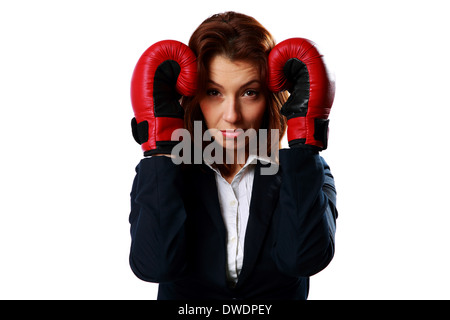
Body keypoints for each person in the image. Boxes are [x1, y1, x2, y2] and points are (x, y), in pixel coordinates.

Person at [128, 11, 338, 300]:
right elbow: (154, 267)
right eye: (214, 92)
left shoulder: (306, 172)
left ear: (269, 97)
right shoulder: (164, 174)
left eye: (249, 92)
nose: (232, 116)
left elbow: (304, 260)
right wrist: (161, 146)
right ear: (194, 96)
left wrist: (305, 143)